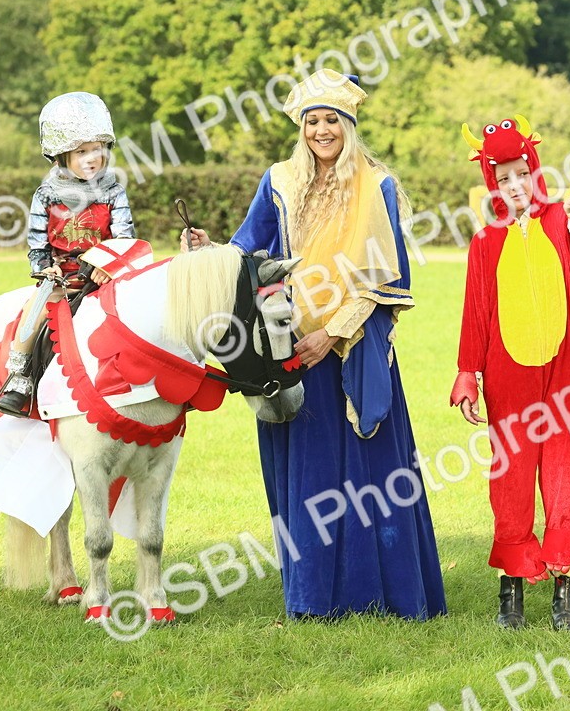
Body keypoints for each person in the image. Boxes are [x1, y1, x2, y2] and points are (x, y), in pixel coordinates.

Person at [181, 69, 447, 620]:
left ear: (349, 125)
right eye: (312, 122)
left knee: (370, 472)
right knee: (308, 473)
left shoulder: (378, 186)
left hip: (350, 343)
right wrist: (207, 248)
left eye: (331, 121)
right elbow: (246, 250)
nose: (321, 131)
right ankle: (314, 597)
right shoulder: (279, 180)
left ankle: (382, 594)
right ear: (300, 128)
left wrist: (333, 332)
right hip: (288, 346)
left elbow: (385, 279)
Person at [449, 116, 570, 631]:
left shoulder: (560, 218)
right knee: (510, 477)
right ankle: (511, 591)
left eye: (522, 174)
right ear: (493, 183)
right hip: (507, 374)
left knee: (563, 474)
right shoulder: (485, 241)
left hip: (566, 370)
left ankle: (565, 591)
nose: (516, 186)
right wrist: (468, 372)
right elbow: (476, 313)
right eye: (504, 178)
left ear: (535, 170)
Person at [0, 92, 135, 416]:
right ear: (61, 156)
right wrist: (47, 271)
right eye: (82, 151)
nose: (92, 158)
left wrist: (107, 265)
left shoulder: (114, 191)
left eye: (97, 150)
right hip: (62, 279)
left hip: (104, 277)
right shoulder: (45, 195)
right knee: (38, 306)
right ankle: (20, 378)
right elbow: (38, 245)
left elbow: (124, 237)